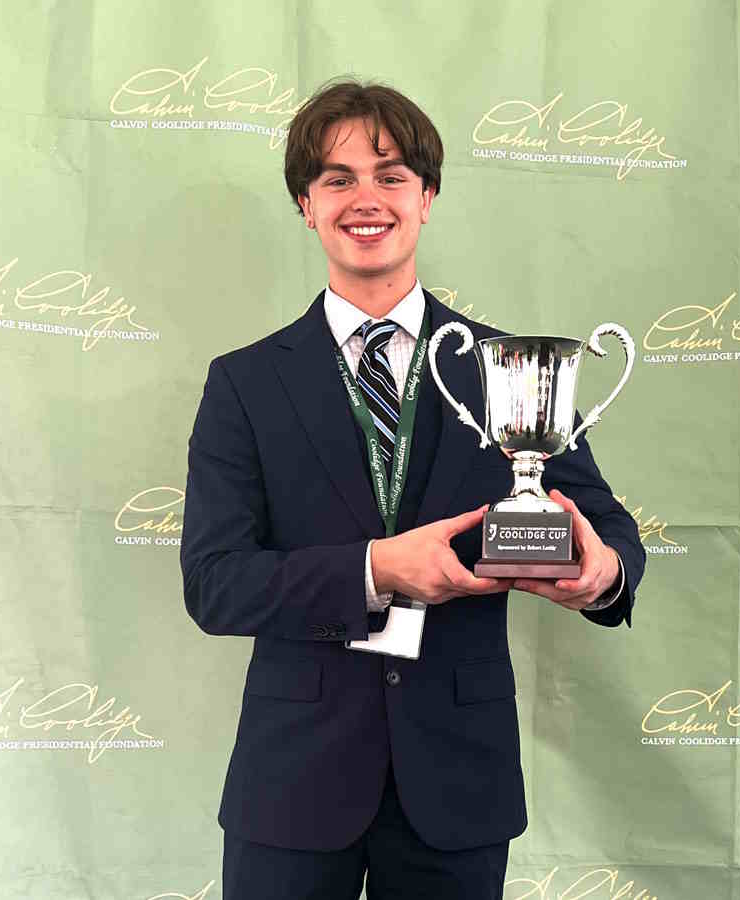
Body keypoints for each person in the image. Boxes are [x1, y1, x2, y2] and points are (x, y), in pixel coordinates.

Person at [180, 80, 645, 900]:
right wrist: (377, 569)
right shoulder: (245, 383)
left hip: (458, 782)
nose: (367, 198)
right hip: (291, 785)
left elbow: (609, 532)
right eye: (338, 178)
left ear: (427, 197)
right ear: (306, 204)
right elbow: (215, 584)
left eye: (392, 176)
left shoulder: (512, 367)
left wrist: (600, 571)